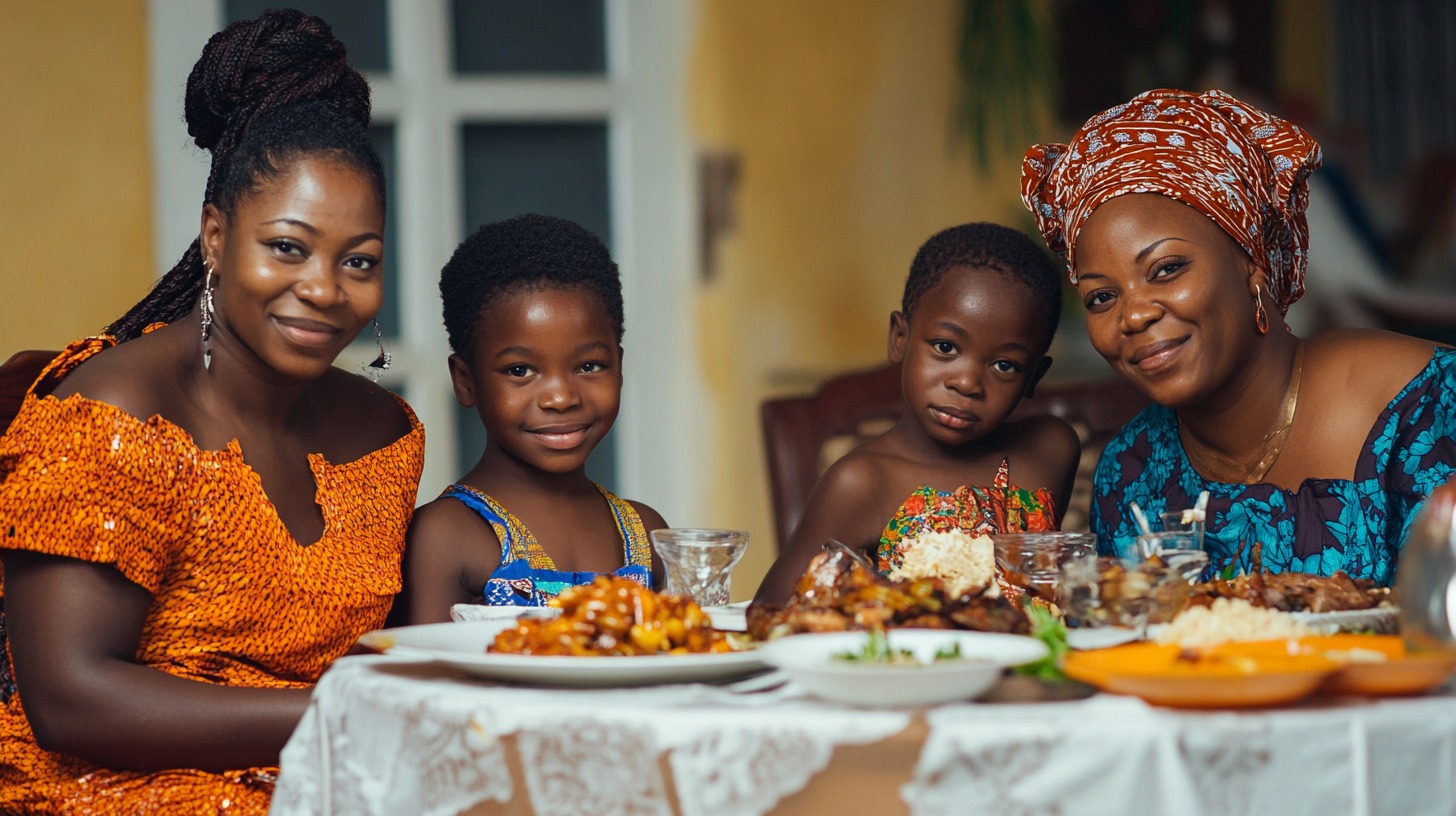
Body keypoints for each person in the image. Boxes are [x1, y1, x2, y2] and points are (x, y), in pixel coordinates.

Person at [0, 10, 423, 813]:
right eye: (288, 247)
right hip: (118, 790)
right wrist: (347, 720)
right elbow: (67, 700)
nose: (326, 289)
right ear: (216, 237)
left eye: (358, 261)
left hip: (330, 782)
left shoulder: (382, 436)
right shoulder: (116, 415)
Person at [1021, 88, 1456, 585]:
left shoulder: (1421, 408)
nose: (1134, 315)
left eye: (1166, 268)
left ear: (1251, 260)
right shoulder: (1131, 471)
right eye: (1101, 297)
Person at [754, 223, 1081, 604]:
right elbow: (770, 615)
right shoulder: (861, 481)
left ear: (1034, 376)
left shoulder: (1049, 450)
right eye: (946, 346)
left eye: (1004, 366)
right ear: (899, 339)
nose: (967, 383)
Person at [399, 214, 668, 623]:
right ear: (466, 382)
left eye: (590, 365)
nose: (561, 397)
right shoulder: (446, 536)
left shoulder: (646, 533)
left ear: (620, 365)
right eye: (520, 371)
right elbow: (424, 679)